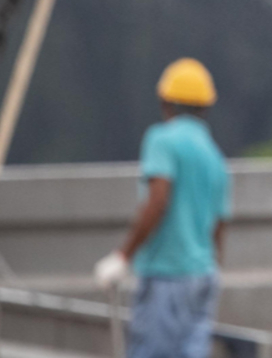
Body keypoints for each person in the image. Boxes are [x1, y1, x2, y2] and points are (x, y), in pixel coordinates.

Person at [95, 57, 232, 358]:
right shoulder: (215, 156)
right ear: (205, 106)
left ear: (166, 102)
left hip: (167, 276)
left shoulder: (162, 140)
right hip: (203, 276)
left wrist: (122, 256)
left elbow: (157, 201)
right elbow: (219, 225)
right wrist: (211, 268)